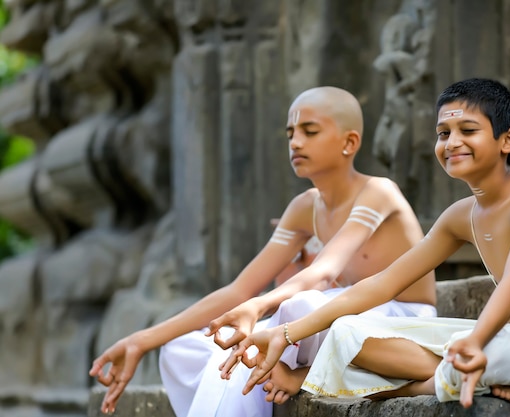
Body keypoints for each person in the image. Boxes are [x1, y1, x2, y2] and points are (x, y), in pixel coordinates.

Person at [225, 78, 510, 409]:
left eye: (467, 131)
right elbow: (384, 284)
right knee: (345, 332)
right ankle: (465, 376)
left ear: (508, 139)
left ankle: (317, 376)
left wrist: (476, 342)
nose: (452, 143)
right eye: (443, 134)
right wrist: (286, 332)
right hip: (506, 338)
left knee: (484, 354)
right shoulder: (460, 215)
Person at [89, 86, 437, 416]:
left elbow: (325, 272)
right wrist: (141, 340)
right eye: (290, 133)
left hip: (397, 324)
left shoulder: (379, 191)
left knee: (298, 307)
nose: (295, 142)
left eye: (309, 131)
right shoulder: (304, 207)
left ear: (349, 142)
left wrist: (259, 306)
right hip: (333, 318)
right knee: (179, 351)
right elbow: (240, 290)